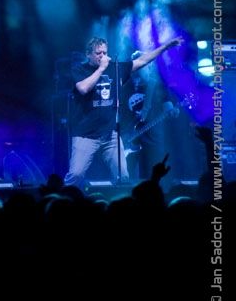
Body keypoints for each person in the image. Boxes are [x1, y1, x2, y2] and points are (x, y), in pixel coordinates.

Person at [63, 35, 183, 188]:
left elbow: (142, 61)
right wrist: (101, 69)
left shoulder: (116, 68)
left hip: (110, 135)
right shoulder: (80, 69)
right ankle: (61, 197)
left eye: (105, 53)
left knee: (123, 177)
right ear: (88, 54)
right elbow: (83, 88)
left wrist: (165, 47)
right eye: (98, 53)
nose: (102, 56)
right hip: (86, 134)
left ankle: (121, 200)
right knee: (76, 174)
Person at [125, 54, 180, 181]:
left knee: (152, 177)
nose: (140, 69)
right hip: (131, 140)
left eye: (144, 65)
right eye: (137, 65)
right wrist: (124, 135)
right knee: (130, 178)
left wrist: (173, 111)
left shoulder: (156, 86)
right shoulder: (125, 86)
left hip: (154, 141)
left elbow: (168, 107)